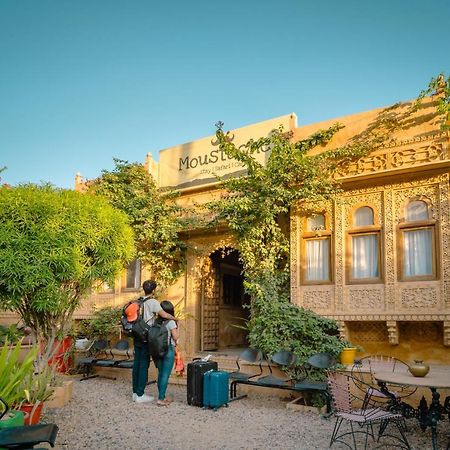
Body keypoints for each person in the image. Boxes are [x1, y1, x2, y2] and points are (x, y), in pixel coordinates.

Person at [132, 280, 176, 403]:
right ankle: (140, 394)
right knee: (143, 364)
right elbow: (164, 315)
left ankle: (135, 392)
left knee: (136, 364)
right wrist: (174, 318)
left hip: (137, 335)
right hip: (146, 337)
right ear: (153, 290)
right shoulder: (152, 302)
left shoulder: (138, 301)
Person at [154, 300, 179, 406]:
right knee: (165, 375)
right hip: (168, 350)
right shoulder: (171, 322)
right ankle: (160, 399)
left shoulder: (156, 321)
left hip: (157, 350)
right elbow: (176, 337)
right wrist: (179, 327)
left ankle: (162, 396)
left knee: (160, 374)